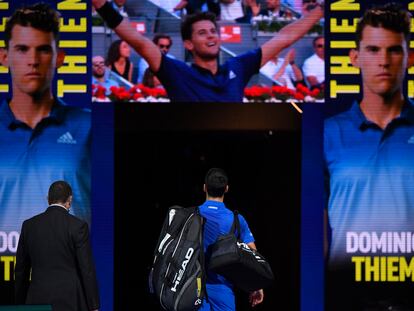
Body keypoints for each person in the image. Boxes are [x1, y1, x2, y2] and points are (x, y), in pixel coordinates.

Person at [324, 3, 414, 310]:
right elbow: (317, 225)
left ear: (410, 58)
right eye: (373, 50)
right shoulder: (327, 134)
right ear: (355, 57)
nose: (384, 62)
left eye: (394, 50)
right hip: (346, 295)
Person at [92, 0, 323, 102]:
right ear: (189, 44)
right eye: (202, 33)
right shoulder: (175, 71)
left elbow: (284, 37)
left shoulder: (238, 67)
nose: (211, 35)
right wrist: (103, 7)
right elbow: (139, 42)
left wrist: (322, 9)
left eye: (213, 31)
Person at [0, 3, 91, 248]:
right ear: (4, 56)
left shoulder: (88, 126)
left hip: (66, 277)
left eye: (43, 50)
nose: (33, 60)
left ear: (59, 57)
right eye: (22, 49)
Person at [15, 181, 100, 311]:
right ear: (69, 200)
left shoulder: (29, 226)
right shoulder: (78, 226)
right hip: (70, 300)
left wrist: (19, 304)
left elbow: (21, 270)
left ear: (48, 199)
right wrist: (94, 306)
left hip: (37, 299)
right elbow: (86, 268)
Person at [198, 168, 263, 311]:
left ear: (204, 187)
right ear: (226, 189)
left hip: (192, 288)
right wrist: (256, 285)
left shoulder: (191, 216)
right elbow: (253, 255)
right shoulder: (237, 220)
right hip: (223, 291)